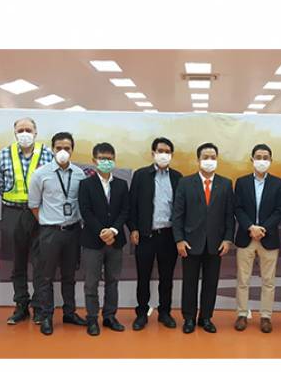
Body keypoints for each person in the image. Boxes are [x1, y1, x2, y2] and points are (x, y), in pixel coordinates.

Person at [28, 132, 88, 336]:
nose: (63, 152)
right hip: (50, 232)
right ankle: (46, 316)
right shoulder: (40, 174)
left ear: (72, 150)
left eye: (67, 148)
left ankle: (69, 313)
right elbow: (34, 205)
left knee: (69, 275)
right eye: (59, 148)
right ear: (52, 149)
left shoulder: (79, 174)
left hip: (73, 231)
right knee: (46, 276)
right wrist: (47, 222)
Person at [0, 117, 53, 325]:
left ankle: (38, 306)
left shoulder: (47, 153)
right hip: (13, 212)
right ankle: (21, 305)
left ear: (36, 132)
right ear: (15, 133)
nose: (24, 134)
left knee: (40, 262)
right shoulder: (4, 154)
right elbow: (0, 185)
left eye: (28, 129)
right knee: (17, 262)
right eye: (20, 130)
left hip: (39, 213)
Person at [173, 142, 234, 334]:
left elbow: (229, 215)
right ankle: (189, 318)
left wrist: (227, 239)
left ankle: (206, 317)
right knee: (189, 282)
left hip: (216, 243)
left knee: (211, 282)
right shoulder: (185, 183)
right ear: (198, 160)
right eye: (205, 157)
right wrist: (179, 239)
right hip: (190, 242)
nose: (209, 161)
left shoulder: (225, 184)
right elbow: (177, 214)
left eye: (213, 157)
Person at [128, 137, 182, 330]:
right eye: (160, 151)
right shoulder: (141, 175)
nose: (164, 155)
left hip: (168, 235)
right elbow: (132, 205)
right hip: (146, 235)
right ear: (153, 153)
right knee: (143, 277)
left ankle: (164, 312)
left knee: (166, 278)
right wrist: (133, 228)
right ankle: (141, 313)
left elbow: (181, 208)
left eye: (167, 152)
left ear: (171, 155)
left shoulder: (177, 177)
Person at [79, 142, 130, 336]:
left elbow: (125, 210)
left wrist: (114, 231)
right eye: (102, 158)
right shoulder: (86, 184)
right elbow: (85, 211)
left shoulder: (121, 184)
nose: (106, 162)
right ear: (94, 160)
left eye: (109, 158)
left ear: (114, 160)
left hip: (116, 241)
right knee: (91, 282)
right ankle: (92, 318)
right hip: (92, 241)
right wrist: (102, 231)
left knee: (112, 280)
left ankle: (110, 316)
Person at [233, 144, 281, 333]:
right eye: (258, 157)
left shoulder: (279, 184)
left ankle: (266, 316)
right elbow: (237, 208)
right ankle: (241, 313)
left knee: (268, 280)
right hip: (246, 236)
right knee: (243, 279)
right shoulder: (242, 182)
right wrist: (250, 227)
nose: (262, 160)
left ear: (270, 160)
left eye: (265, 157)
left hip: (268, 237)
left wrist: (263, 228)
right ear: (252, 159)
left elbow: (280, 210)